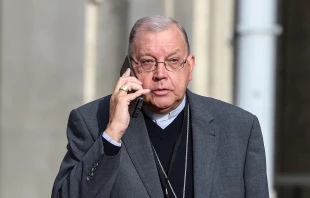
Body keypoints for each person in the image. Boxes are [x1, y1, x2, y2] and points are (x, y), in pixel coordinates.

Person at [52, 15, 269, 198]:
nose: (160, 74)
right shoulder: (91, 121)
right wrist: (112, 134)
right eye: (147, 62)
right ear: (130, 67)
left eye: (173, 61)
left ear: (190, 66)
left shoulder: (240, 128)